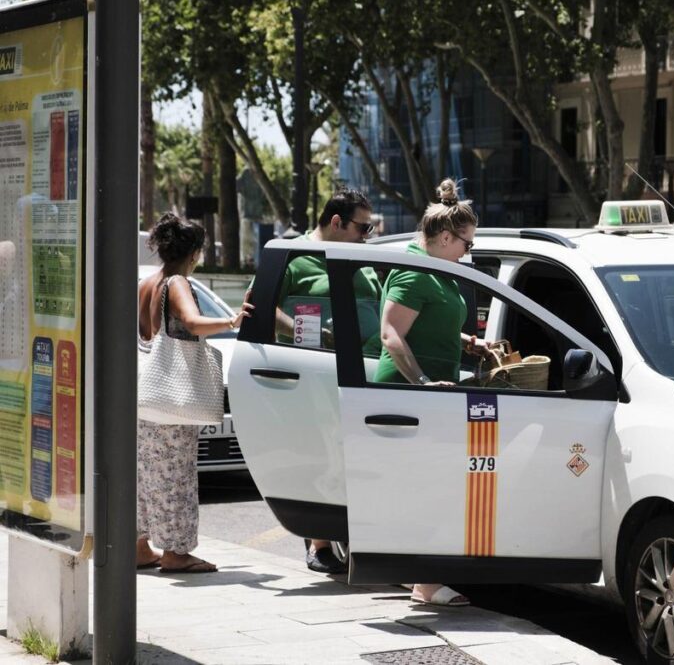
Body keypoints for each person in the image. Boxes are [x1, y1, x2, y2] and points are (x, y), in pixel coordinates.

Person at [375, 178, 494, 606]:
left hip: (432, 393)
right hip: (410, 394)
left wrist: (467, 342)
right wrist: (422, 383)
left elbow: (428, 320)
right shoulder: (415, 271)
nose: (468, 251)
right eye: (466, 243)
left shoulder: (436, 268)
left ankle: (416, 574)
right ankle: (424, 582)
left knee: (427, 484)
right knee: (422, 487)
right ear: (445, 237)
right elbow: (390, 333)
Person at [265, 188, 381, 573]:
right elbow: (261, 306)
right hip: (316, 373)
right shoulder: (293, 257)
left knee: (359, 456)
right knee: (323, 454)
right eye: (362, 228)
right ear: (336, 222)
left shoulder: (361, 257)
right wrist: (308, 333)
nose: (367, 236)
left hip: (367, 372)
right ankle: (319, 542)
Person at [136, 214, 252, 573]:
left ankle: (138, 547)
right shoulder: (178, 283)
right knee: (176, 477)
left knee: (145, 474)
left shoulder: (146, 283)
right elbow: (190, 321)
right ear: (195, 253)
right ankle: (175, 553)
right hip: (173, 401)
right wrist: (231, 321)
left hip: (146, 395)